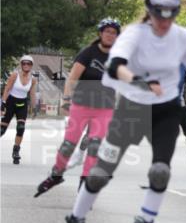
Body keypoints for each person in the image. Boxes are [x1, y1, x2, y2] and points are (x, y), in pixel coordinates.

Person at [41, 0, 186, 223]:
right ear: (149, 11)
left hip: (165, 112)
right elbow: (116, 67)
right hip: (130, 108)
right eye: (158, 14)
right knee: (100, 173)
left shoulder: (183, 38)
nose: (164, 21)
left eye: (170, 15)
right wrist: (139, 82)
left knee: (160, 171)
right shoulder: (135, 35)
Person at [34, 18, 121, 197]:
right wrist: (66, 98)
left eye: (114, 33)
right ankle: (56, 174)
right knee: (68, 145)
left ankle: (84, 186)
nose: (110, 35)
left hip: (104, 108)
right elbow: (73, 77)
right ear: (100, 33)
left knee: (94, 146)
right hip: (81, 105)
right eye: (107, 31)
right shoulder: (88, 53)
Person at [1, 55, 37, 164]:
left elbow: (32, 94)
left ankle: (16, 151)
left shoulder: (33, 79)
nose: (26, 65)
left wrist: (34, 108)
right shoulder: (14, 75)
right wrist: (2, 103)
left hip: (22, 104)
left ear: (31, 66)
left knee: (21, 128)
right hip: (10, 103)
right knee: (2, 130)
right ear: (21, 65)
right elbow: (7, 89)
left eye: (28, 63)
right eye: (24, 63)